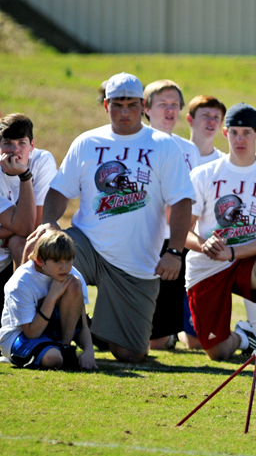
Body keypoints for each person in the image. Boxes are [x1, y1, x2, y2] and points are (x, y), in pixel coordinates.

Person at [30, 72, 195, 363]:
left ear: (143, 106)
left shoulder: (163, 145)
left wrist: (174, 252)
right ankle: (26, 336)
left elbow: (182, 202)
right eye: (117, 104)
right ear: (106, 105)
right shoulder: (87, 142)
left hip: (136, 262)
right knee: (40, 253)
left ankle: (93, 330)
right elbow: (58, 191)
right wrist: (48, 222)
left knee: (130, 354)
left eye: (132, 105)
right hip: (87, 245)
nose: (124, 112)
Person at [184, 103, 256, 367]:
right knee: (217, 352)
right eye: (234, 132)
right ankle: (246, 338)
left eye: (246, 132)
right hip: (207, 266)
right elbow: (182, 233)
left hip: (246, 261)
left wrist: (232, 252)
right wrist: (205, 245)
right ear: (225, 133)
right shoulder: (203, 175)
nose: (240, 139)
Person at [143, 79, 201, 350]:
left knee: (159, 337)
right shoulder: (137, 144)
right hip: (142, 238)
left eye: (175, 105)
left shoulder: (189, 150)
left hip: (175, 242)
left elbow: (193, 198)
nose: (169, 110)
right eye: (162, 104)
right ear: (146, 108)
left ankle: (167, 335)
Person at [0, 230, 97, 370]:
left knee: (74, 285)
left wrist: (89, 351)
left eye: (68, 260)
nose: (64, 267)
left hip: (51, 333)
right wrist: (52, 296)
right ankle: (53, 353)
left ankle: (65, 347)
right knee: (53, 359)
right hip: (20, 335)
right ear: (40, 261)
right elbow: (31, 333)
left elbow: (82, 324)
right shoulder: (22, 281)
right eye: (57, 261)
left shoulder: (73, 275)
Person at [0, 114, 52, 301]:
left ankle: (27, 306)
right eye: (7, 143)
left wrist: (24, 176)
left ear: (32, 145)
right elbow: (24, 226)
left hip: (16, 256)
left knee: (21, 242)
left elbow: (31, 227)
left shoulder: (42, 161)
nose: (15, 151)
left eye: (22, 142)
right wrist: (16, 227)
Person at [186, 95, 227, 165]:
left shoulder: (224, 163)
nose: (212, 121)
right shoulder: (175, 156)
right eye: (205, 115)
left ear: (220, 124)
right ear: (190, 119)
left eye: (216, 117)